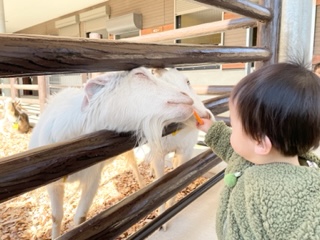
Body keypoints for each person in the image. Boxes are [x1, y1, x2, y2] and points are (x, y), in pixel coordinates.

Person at [197, 62, 320, 239]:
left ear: (261, 143)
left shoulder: (288, 199)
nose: (231, 128)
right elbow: (234, 151)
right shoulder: (257, 155)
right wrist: (212, 129)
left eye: (233, 123)